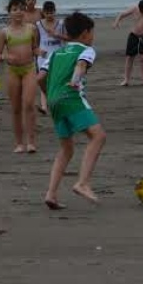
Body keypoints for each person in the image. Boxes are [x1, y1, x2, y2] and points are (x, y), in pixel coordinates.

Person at [41, 12, 107, 209]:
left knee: (66, 149)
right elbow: (81, 65)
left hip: (54, 102)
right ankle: (83, 183)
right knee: (98, 136)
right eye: (92, 32)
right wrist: (74, 81)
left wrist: (50, 95)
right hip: (71, 97)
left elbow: (39, 78)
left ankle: (51, 194)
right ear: (86, 33)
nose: (92, 37)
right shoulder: (86, 50)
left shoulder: (55, 53)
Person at [0, 0, 40, 153]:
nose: (18, 12)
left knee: (28, 104)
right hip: (13, 71)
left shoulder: (32, 29)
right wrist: (6, 56)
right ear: (9, 12)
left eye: (21, 8)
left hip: (29, 69)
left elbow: (34, 48)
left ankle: (31, 142)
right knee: (16, 108)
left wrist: (38, 51)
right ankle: (19, 143)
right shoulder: (4, 32)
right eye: (14, 9)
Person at [113, 0, 143, 86]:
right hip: (134, 35)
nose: (142, 12)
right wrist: (116, 22)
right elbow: (122, 14)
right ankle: (126, 80)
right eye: (141, 10)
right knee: (129, 57)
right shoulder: (134, 9)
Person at [35, 0, 66, 115]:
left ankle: (56, 101)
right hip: (43, 55)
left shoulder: (61, 24)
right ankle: (44, 106)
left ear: (55, 11)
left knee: (57, 80)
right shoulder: (38, 24)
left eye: (51, 12)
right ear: (43, 12)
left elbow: (67, 38)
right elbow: (36, 41)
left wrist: (57, 35)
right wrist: (37, 51)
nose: (49, 15)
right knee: (43, 80)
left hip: (58, 54)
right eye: (47, 13)